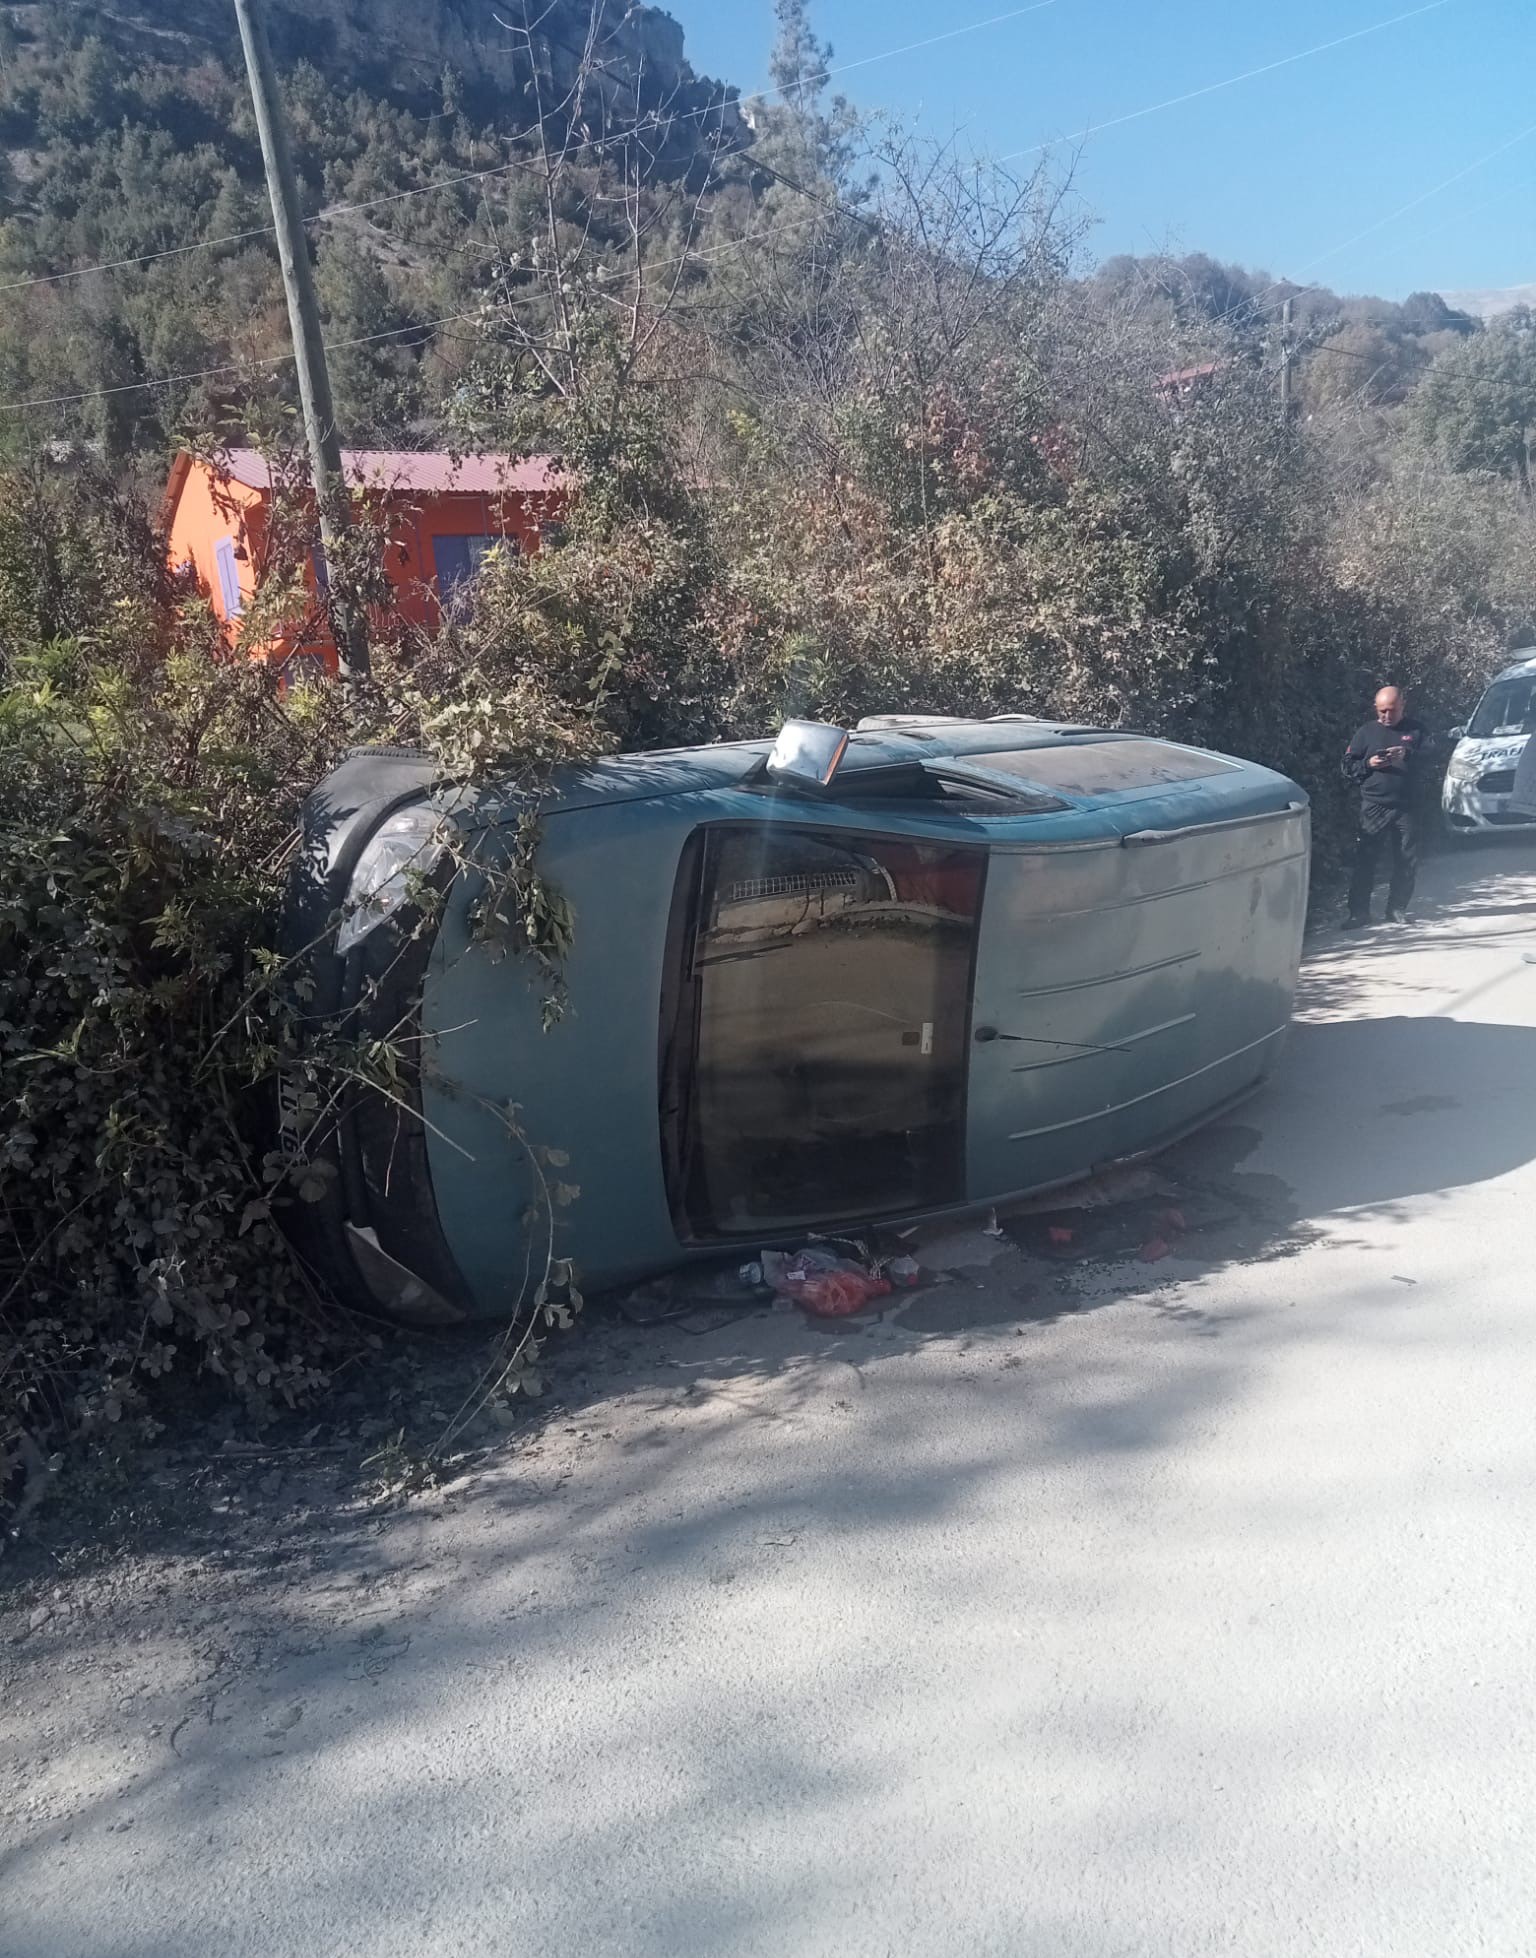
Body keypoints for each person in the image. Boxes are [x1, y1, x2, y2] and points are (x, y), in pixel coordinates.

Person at [1341, 685, 1428, 927]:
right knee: (1365, 860)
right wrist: (1369, 763)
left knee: (1406, 860)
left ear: (1403, 706)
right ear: (1375, 709)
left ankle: (1397, 909)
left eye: (1392, 711)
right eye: (1381, 711)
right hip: (1374, 805)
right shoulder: (1366, 732)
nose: (1386, 717)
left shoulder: (1417, 730)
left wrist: (1407, 754)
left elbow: (1433, 758)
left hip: (1407, 806)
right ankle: (1358, 913)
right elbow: (1348, 767)